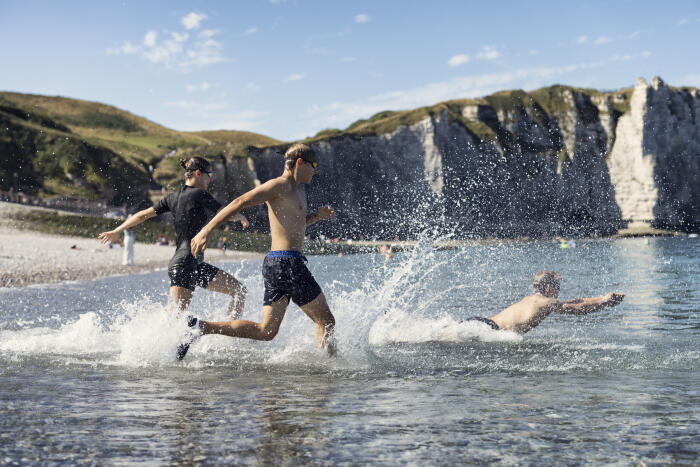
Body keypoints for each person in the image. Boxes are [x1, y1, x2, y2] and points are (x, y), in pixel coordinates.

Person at [185, 143, 337, 359]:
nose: (315, 170)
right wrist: (206, 231)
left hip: (278, 264)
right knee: (327, 321)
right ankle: (328, 374)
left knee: (266, 331)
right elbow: (241, 201)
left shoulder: (298, 192)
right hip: (287, 263)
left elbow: (296, 225)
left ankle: (200, 327)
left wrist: (317, 217)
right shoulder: (280, 185)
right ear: (300, 162)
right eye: (313, 165)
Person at [98, 157, 249, 318]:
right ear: (198, 173)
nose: (210, 178)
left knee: (239, 290)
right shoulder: (199, 194)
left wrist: (117, 230)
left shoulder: (172, 197)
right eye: (209, 174)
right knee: (174, 320)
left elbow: (142, 215)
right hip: (185, 264)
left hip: (193, 264)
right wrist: (239, 216)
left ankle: (228, 334)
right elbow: (223, 212)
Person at [465, 271, 625, 333]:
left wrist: (602, 298)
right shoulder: (545, 302)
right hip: (487, 331)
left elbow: (573, 302)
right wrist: (605, 302)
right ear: (548, 288)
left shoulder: (531, 299)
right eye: (558, 287)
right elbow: (576, 308)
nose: (559, 291)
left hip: (479, 323)